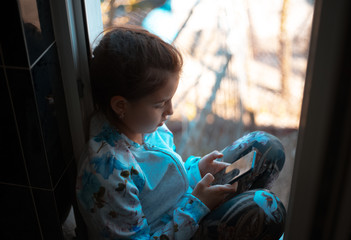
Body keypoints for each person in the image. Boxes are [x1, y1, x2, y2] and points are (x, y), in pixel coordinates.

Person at [75, 25, 286, 240]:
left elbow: (165, 184)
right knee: (268, 210)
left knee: (267, 148)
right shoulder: (108, 172)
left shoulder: (146, 126)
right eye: (160, 104)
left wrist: (196, 172)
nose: (171, 111)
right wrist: (198, 206)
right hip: (174, 229)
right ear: (121, 106)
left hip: (186, 207)